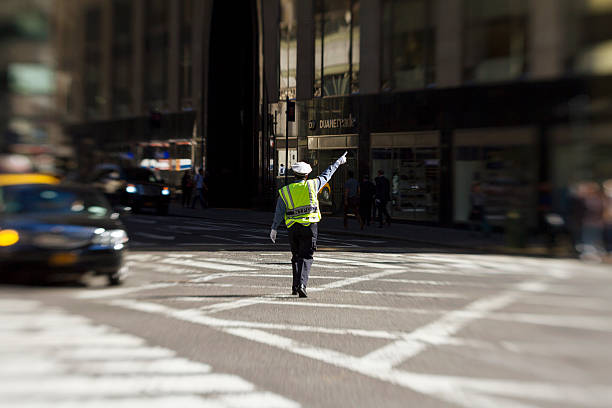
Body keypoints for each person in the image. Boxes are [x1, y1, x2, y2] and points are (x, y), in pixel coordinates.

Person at [269, 152, 347, 297]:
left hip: (292, 227)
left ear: (294, 175)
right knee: (306, 256)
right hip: (310, 227)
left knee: (296, 256)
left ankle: (295, 286)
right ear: (306, 175)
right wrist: (338, 162)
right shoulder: (312, 185)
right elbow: (326, 175)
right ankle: (302, 285)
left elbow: (279, 211)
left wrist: (274, 228)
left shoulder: (286, 191)